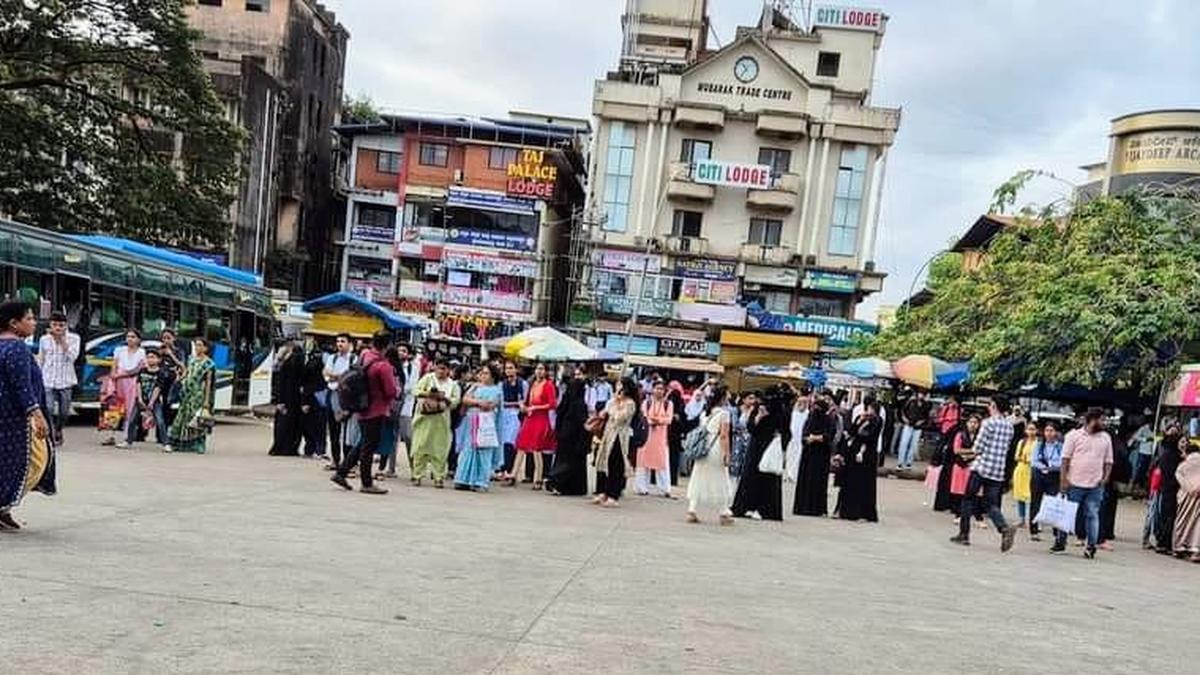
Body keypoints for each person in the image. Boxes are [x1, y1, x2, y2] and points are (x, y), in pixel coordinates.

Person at [0, 302, 52, 531]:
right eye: (29, 318)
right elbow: (23, 386)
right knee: (34, 461)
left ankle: (4, 509)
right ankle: (3, 504)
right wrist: (36, 413)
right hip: (15, 417)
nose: (34, 322)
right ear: (14, 323)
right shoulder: (17, 348)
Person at [330, 332, 396, 495]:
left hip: (361, 407)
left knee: (362, 444)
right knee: (368, 447)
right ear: (387, 346)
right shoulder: (383, 366)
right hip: (377, 409)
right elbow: (390, 391)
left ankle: (341, 472)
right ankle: (366, 483)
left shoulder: (364, 356)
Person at [951, 397, 1018, 551]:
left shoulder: (988, 423)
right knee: (990, 504)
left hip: (981, 467)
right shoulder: (1009, 426)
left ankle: (964, 533)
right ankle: (1003, 527)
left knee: (968, 499)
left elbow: (978, 447)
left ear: (993, 406)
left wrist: (968, 455)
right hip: (997, 470)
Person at [1051, 408, 1113, 559]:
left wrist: (1105, 478)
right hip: (1074, 483)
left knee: (1092, 515)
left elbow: (1108, 461)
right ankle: (1060, 542)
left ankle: (1091, 546)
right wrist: (1063, 480)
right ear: (1092, 420)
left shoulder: (1105, 438)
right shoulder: (1073, 436)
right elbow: (1065, 460)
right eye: (1101, 419)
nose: (1104, 423)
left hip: (1095, 485)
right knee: (1067, 514)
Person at [731, 391, 784, 521]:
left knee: (767, 478)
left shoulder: (778, 412)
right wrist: (759, 416)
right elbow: (751, 428)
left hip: (769, 447)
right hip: (755, 447)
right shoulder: (757, 410)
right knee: (750, 476)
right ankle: (746, 506)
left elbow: (783, 429)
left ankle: (764, 509)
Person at [686, 384, 734, 526]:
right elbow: (724, 436)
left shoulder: (705, 413)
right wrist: (727, 453)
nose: (730, 396)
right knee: (721, 478)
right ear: (723, 396)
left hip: (704, 448)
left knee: (698, 477)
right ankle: (724, 512)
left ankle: (692, 509)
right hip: (716, 448)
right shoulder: (724, 414)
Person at [410, 358, 461, 488]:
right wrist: (429, 394)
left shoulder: (453, 385)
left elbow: (455, 402)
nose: (441, 371)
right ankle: (417, 476)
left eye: (444, 368)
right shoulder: (428, 378)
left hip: (441, 422)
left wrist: (444, 398)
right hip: (424, 420)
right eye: (439, 368)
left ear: (448, 370)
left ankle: (438, 477)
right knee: (420, 448)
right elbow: (415, 391)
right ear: (435, 368)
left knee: (440, 450)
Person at [36, 311, 79, 448]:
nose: (58, 328)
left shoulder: (74, 338)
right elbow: (41, 359)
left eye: (61, 325)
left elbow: (72, 357)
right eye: (55, 325)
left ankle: (59, 429)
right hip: (48, 378)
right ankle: (51, 433)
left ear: (66, 326)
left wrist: (62, 341)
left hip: (65, 380)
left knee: (64, 411)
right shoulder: (44, 339)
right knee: (47, 407)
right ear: (50, 325)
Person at [512, 363, 557, 489]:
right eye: (537, 369)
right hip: (530, 418)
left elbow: (552, 404)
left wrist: (536, 407)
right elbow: (527, 402)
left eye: (542, 369)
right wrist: (523, 406)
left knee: (537, 449)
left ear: (546, 372)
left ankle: (538, 478)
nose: (539, 371)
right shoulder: (533, 384)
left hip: (541, 419)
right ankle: (513, 475)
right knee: (521, 445)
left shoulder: (548, 385)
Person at [167, 338, 216, 454]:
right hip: (187, 393)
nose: (197, 348)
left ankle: (199, 444)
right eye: (196, 345)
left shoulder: (209, 364)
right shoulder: (191, 359)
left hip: (198, 394)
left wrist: (206, 400)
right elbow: (187, 373)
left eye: (200, 345)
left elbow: (208, 383)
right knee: (182, 419)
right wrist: (180, 379)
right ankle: (181, 444)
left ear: (205, 348)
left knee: (197, 421)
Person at [835, 401, 883, 522]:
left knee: (864, 483)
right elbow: (852, 431)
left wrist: (860, 432)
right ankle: (846, 511)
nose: (869, 411)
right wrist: (858, 422)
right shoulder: (860, 417)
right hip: (854, 452)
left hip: (867, 454)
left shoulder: (877, 421)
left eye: (871, 409)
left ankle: (863, 513)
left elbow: (870, 436)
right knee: (850, 481)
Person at [546, 367, 590, 496]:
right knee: (574, 463)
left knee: (563, 460)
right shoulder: (580, 404)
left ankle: (559, 483)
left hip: (564, 435)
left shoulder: (567, 401)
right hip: (575, 438)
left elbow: (559, 415)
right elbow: (582, 423)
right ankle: (565, 484)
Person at [594, 377, 637, 507]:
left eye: (620, 385)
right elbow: (604, 412)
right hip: (608, 434)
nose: (617, 387)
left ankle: (614, 494)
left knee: (616, 465)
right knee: (603, 462)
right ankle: (603, 492)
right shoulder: (613, 400)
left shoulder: (630, 403)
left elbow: (620, 418)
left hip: (620, 436)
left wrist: (613, 408)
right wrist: (612, 404)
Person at [103, 329, 146, 447]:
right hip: (118, 380)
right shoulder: (120, 350)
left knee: (130, 409)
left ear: (138, 339)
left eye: (133, 337)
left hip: (132, 381)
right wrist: (113, 376)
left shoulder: (141, 352)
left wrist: (122, 374)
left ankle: (127, 437)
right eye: (128, 337)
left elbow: (138, 368)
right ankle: (111, 436)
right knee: (114, 408)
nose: (130, 339)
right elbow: (114, 364)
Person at [793, 396, 836, 517]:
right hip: (808, 454)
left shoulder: (829, 420)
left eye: (818, 408)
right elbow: (804, 435)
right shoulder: (809, 419)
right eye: (814, 408)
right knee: (805, 481)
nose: (815, 411)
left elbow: (829, 436)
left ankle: (817, 508)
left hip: (821, 456)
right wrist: (809, 439)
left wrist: (816, 438)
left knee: (818, 482)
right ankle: (803, 507)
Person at [119, 350, 168, 449]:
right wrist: (140, 399)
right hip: (140, 400)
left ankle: (166, 443)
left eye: (153, 357)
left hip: (154, 401)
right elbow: (138, 384)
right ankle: (128, 441)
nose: (150, 359)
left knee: (160, 420)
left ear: (159, 359)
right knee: (132, 420)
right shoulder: (142, 370)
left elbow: (157, 388)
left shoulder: (161, 373)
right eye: (148, 357)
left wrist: (151, 402)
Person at [321, 333, 356, 470]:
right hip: (332, 393)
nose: (340, 344)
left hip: (346, 397)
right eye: (338, 341)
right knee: (333, 430)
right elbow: (325, 373)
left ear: (349, 344)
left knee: (347, 432)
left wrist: (335, 376)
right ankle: (335, 460)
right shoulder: (332, 358)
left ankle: (348, 463)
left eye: (343, 341)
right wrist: (337, 377)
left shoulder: (354, 359)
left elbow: (349, 377)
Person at [634, 380, 673, 497]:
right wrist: (652, 421)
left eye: (661, 389)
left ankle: (665, 489)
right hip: (646, 436)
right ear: (652, 390)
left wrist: (659, 421)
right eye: (657, 388)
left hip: (661, 438)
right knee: (642, 462)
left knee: (662, 463)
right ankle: (642, 488)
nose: (659, 391)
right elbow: (643, 417)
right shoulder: (646, 402)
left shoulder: (668, 404)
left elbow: (669, 419)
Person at [267, 340, 305, 457]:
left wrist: (280, 401)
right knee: (290, 425)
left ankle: (281, 447)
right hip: (293, 399)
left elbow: (281, 384)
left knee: (284, 425)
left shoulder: (287, 364)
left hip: (286, 399)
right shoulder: (292, 363)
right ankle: (289, 447)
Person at [1029, 421, 1064, 542]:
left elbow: (1062, 462)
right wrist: (1043, 467)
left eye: (1052, 431)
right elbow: (1033, 461)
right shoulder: (1039, 444)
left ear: (1056, 432)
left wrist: (1051, 466)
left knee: (1054, 503)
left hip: (1053, 475)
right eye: (1047, 430)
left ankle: (1056, 531)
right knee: (1035, 502)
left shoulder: (1060, 446)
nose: (1049, 433)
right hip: (1039, 474)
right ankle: (1034, 530)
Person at [1154, 432, 1186, 554]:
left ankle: (1165, 543)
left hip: (1171, 490)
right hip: (1169, 490)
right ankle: (1163, 543)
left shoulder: (1176, 455)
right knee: (1168, 517)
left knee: (1170, 517)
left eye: (1185, 442)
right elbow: (1170, 475)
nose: (1184, 445)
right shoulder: (1170, 456)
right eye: (1182, 442)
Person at [393, 344, 422, 474]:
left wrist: (400, 390)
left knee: (408, 436)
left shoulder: (413, 368)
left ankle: (414, 467)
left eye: (404, 351)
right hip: (393, 406)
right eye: (399, 350)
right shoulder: (392, 366)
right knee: (393, 438)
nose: (401, 353)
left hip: (406, 407)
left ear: (409, 354)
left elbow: (413, 387)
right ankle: (390, 468)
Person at [299, 338, 328, 459]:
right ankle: (319, 449)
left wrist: (304, 401)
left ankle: (311, 449)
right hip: (320, 396)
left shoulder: (310, 363)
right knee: (319, 426)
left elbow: (304, 382)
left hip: (312, 396)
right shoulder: (322, 363)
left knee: (311, 426)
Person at [1172, 441, 1200, 562]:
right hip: (1199, 496)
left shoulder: (1182, 466)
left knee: (1182, 521)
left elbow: (1180, 479)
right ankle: (1195, 550)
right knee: (1197, 524)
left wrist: (1190, 489)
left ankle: (1179, 546)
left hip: (1187, 496)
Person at [158, 328, 187, 428]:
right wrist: (160, 355)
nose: (166, 340)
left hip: (173, 382)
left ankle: (169, 430)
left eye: (168, 338)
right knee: (160, 407)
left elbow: (182, 366)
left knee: (170, 407)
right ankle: (160, 434)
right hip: (160, 382)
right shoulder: (159, 350)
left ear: (173, 338)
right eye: (164, 338)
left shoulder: (179, 351)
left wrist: (170, 354)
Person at [1010, 422, 1037, 528]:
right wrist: (1025, 458)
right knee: (1019, 496)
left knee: (1031, 497)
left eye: (1033, 429)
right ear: (1025, 430)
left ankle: (1033, 520)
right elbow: (1017, 456)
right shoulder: (1022, 442)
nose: (1031, 432)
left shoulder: (1038, 443)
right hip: (1021, 470)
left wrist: (1028, 459)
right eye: (1029, 429)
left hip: (1032, 471)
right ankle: (1021, 519)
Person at [896, 390, 930, 471]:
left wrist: (921, 421)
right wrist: (905, 419)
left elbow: (926, 417)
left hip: (918, 427)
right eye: (920, 393)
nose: (921, 395)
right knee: (904, 443)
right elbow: (902, 411)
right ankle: (900, 463)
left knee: (913, 445)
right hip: (908, 424)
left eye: (923, 394)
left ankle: (909, 463)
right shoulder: (911, 401)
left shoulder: (926, 405)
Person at [730, 392, 757, 486]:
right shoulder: (736, 410)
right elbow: (735, 425)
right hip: (738, 438)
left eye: (753, 398)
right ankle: (734, 479)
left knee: (747, 459)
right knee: (737, 459)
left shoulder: (755, 411)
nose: (752, 401)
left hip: (749, 438)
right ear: (744, 399)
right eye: (750, 398)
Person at [666, 381, 687, 487]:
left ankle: (672, 479)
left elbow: (683, 421)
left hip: (673, 435)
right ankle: (670, 479)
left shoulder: (676, 406)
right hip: (671, 435)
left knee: (672, 458)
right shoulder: (674, 404)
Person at [785, 394, 810, 483]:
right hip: (792, 440)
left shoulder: (808, 414)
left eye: (804, 402)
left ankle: (794, 475)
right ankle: (788, 474)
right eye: (800, 402)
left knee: (798, 458)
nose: (801, 404)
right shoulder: (793, 412)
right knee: (790, 456)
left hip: (801, 440)